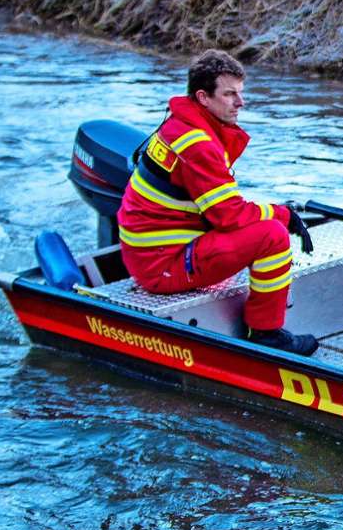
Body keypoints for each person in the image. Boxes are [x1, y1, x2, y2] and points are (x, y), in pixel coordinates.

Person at [117, 49, 318, 356]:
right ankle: (265, 334)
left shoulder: (180, 123)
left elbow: (218, 206)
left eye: (240, 93)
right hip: (162, 264)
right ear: (203, 97)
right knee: (272, 237)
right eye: (230, 94)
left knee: (263, 224)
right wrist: (283, 216)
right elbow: (228, 214)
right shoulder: (197, 144)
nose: (241, 102)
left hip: (150, 251)